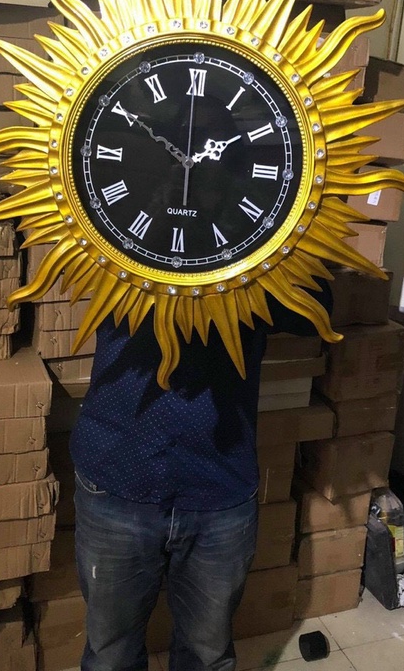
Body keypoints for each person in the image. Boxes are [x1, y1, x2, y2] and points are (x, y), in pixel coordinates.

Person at [69, 281, 333, 671]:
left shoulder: (258, 247)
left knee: (206, 655)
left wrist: (250, 269)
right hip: (119, 471)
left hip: (218, 480)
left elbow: (314, 311)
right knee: (111, 656)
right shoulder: (112, 240)